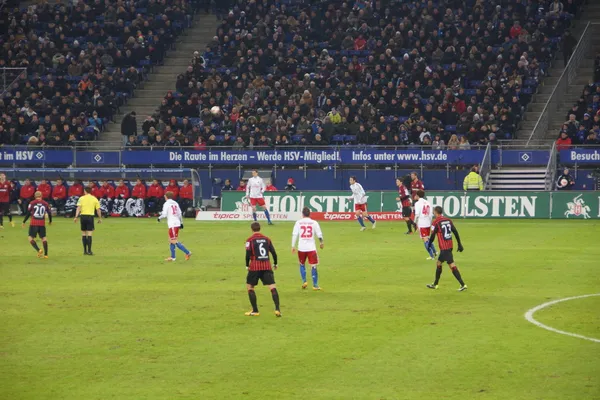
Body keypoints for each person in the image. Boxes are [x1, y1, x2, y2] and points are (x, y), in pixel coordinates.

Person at [426, 206, 467, 291]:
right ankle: (435, 284)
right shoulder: (448, 220)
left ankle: (463, 284)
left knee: (451, 265)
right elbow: (455, 231)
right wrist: (459, 243)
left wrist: (429, 244)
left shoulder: (436, 222)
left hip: (444, 248)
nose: (433, 213)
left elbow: (433, 235)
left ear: (436, 212)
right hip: (449, 246)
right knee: (439, 263)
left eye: (433, 212)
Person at [244, 222, 281, 317]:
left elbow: (248, 254)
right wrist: (275, 263)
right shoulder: (267, 239)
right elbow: (273, 252)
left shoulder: (249, 240)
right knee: (272, 287)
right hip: (266, 266)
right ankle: (277, 309)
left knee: (250, 287)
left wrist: (247, 265)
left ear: (252, 229)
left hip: (255, 267)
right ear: (260, 229)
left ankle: (255, 310)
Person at [292, 207, 324, 290]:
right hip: (311, 248)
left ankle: (304, 281)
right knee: (313, 266)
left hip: (301, 248)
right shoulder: (314, 223)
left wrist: (293, 246)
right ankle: (315, 285)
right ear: (310, 214)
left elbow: (295, 234)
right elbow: (319, 234)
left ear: (302, 214)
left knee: (302, 264)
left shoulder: (298, 222)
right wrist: (321, 242)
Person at [158, 191, 192, 262]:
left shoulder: (166, 204)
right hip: (177, 223)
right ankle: (173, 257)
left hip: (172, 224)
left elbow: (164, 214)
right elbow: (180, 213)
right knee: (171, 240)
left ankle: (188, 252)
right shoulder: (175, 203)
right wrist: (181, 223)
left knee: (173, 240)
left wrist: (159, 218)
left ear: (166, 196)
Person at [22, 191, 52, 258]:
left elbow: (28, 213)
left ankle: (39, 250)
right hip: (42, 224)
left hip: (34, 223)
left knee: (30, 237)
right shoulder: (45, 203)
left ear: (35, 196)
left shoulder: (32, 203)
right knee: (43, 238)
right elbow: (49, 213)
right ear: (42, 196)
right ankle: (46, 255)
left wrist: (24, 221)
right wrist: (50, 221)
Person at [73, 186, 102, 255]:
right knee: (89, 234)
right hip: (90, 217)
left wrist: (76, 217)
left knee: (83, 234)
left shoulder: (81, 198)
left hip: (83, 216)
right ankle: (89, 251)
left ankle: (85, 251)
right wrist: (100, 218)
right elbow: (98, 210)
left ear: (85, 191)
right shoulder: (94, 198)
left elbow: (78, 208)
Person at [414, 189, 437, 260]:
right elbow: (431, 214)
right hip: (428, 223)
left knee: (425, 240)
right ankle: (435, 252)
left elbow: (417, 214)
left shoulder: (417, 204)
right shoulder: (428, 202)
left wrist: (414, 222)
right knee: (427, 238)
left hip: (422, 223)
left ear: (417, 195)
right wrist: (430, 222)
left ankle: (431, 256)